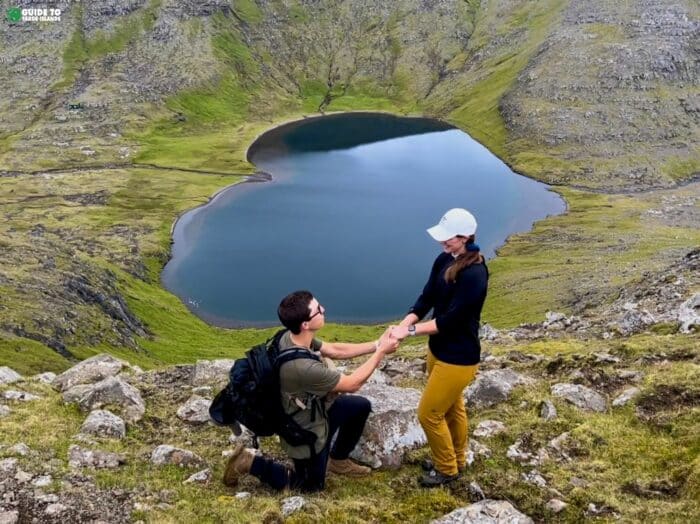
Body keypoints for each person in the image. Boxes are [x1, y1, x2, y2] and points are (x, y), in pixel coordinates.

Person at [223, 290, 399, 492]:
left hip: (315, 411)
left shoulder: (291, 337)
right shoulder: (303, 368)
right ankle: (249, 462)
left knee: (359, 406)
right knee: (310, 487)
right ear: (305, 324)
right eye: (318, 310)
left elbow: (334, 350)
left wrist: (377, 343)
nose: (323, 309)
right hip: (304, 433)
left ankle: (338, 460)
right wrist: (381, 352)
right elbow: (352, 383)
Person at [391, 208, 489, 487]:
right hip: (438, 351)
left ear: (466, 237)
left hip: (459, 358)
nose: (443, 242)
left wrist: (407, 331)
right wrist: (405, 322)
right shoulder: (445, 259)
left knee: (428, 414)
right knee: (452, 408)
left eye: (449, 238)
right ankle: (456, 458)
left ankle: (447, 469)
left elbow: (448, 322)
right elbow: (426, 298)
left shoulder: (475, 275)